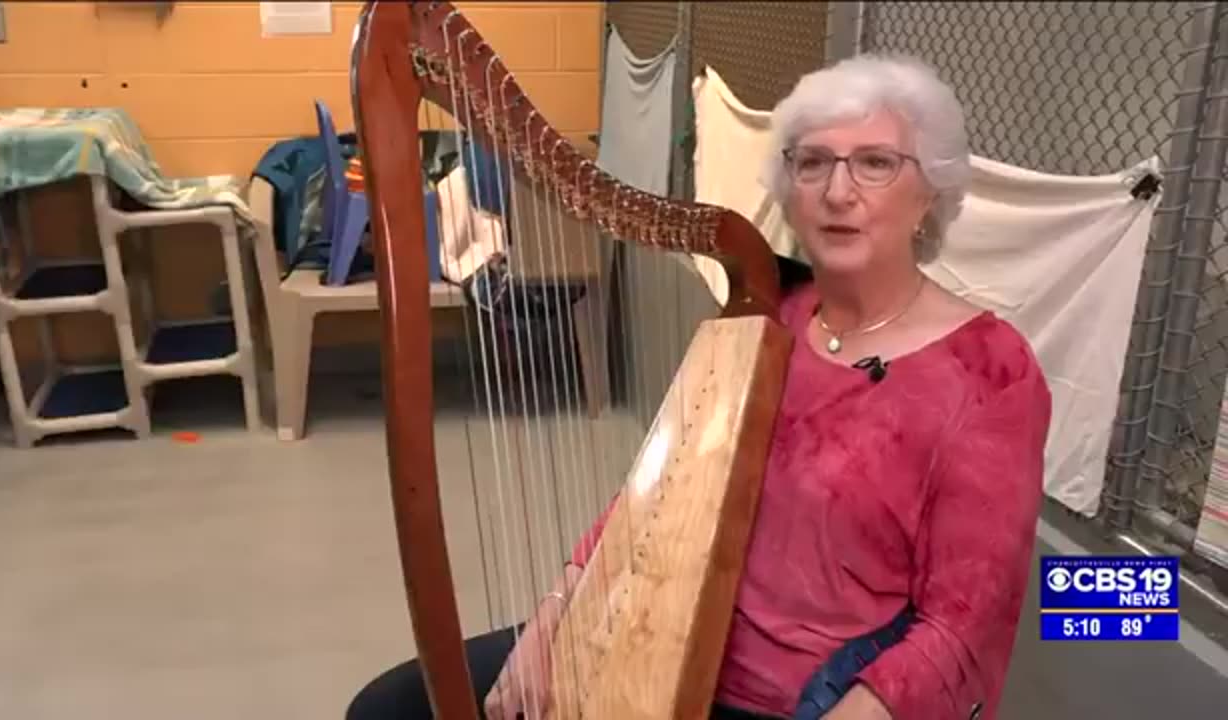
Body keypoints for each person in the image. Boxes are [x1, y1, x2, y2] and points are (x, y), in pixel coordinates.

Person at [346, 53, 1052, 720]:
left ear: (929, 191)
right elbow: (648, 493)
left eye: (875, 163)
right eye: (814, 163)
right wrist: (552, 618)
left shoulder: (989, 371)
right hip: (664, 631)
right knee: (391, 708)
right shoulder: (769, 311)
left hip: (805, 696)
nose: (839, 191)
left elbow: (962, 623)